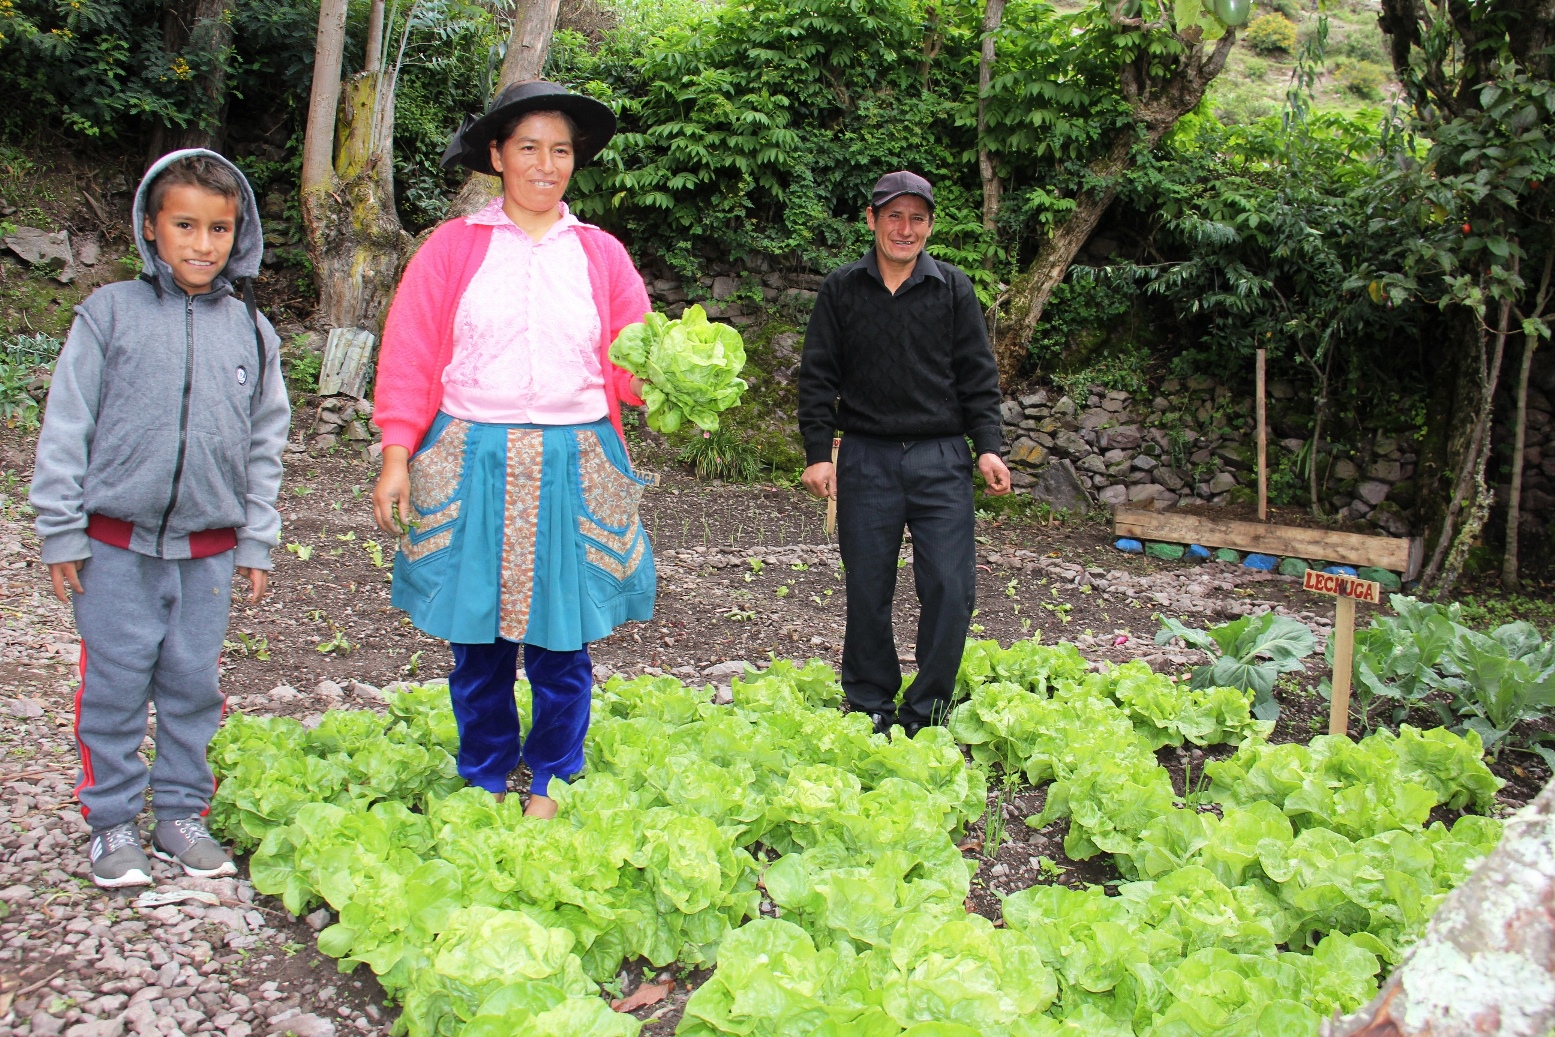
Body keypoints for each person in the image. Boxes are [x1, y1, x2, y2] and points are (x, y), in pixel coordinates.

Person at [371, 80, 655, 819]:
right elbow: (408, 354)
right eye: (527, 146)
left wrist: (665, 383)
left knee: (564, 642)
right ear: (496, 156)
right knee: (479, 642)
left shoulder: (600, 255)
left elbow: (635, 359)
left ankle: (555, 775)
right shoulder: (451, 250)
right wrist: (397, 453)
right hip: (472, 460)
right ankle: (487, 771)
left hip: (574, 460)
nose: (544, 163)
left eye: (560, 150)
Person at [30, 150, 290, 888]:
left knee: (190, 686)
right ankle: (112, 822)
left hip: (207, 552)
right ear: (152, 226)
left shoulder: (251, 330)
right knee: (112, 685)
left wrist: (256, 541)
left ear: (237, 235)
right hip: (113, 546)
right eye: (185, 225)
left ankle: (179, 813)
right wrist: (60, 528)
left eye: (218, 228)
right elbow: (66, 424)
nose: (202, 244)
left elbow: (266, 443)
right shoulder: (108, 313)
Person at [798, 170, 1011, 738]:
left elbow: (977, 376)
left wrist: (988, 447)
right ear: (871, 220)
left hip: (941, 459)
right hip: (866, 457)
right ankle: (870, 702)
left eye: (917, 218)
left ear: (930, 226)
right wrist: (819, 453)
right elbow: (817, 377)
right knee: (868, 587)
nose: (904, 228)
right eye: (893, 216)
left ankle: (927, 710)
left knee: (950, 586)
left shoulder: (952, 289)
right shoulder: (841, 289)